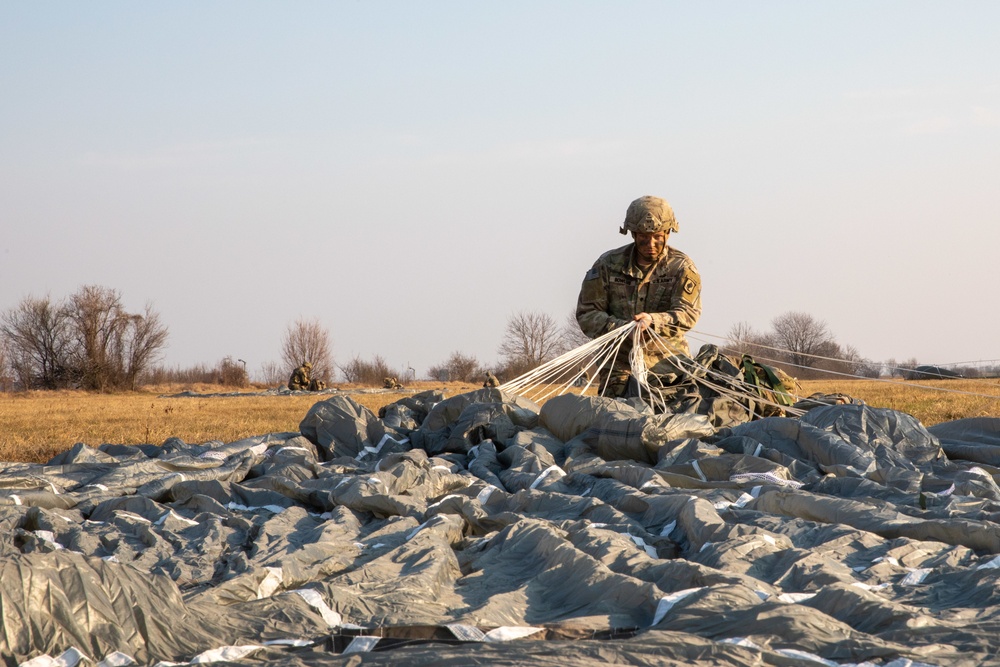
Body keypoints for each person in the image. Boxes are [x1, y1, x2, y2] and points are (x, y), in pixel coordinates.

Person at [575, 196, 702, 397]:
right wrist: (624, 329)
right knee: (618, 420)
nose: (650, 243)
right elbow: (587, 313)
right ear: (633, 233)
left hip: (668, 364)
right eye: (643, 236)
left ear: (668, 234)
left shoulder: (682, 267)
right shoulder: (608, 264)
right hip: (618, 365)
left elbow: (687, 313)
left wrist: (653, 321)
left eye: (657, 236)